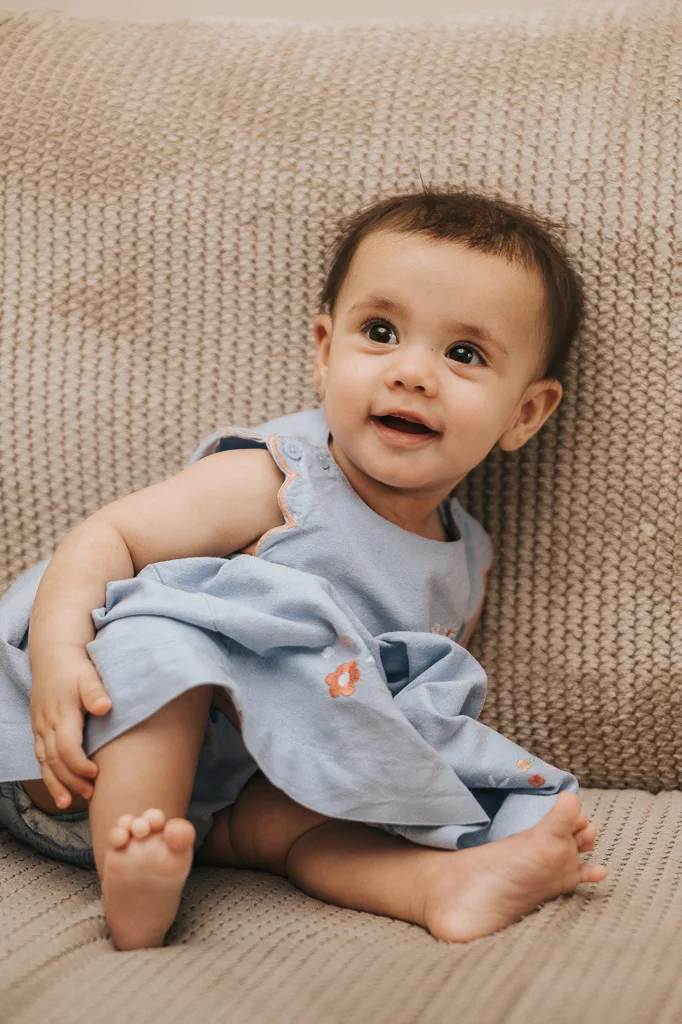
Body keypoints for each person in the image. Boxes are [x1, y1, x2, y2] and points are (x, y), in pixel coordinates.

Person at [0, 188, 607, 951]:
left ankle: (439, 888)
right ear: (325, 353)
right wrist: (58, 654)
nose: (412, 373)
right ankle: (136, 893)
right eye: (380, 332)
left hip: (222, 809)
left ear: (525, 413)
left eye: (464, 354)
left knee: (312, 823)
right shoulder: (282, 478)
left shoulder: (466, 563)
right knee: (168, 640)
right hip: (69, 760)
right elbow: (108, 536)